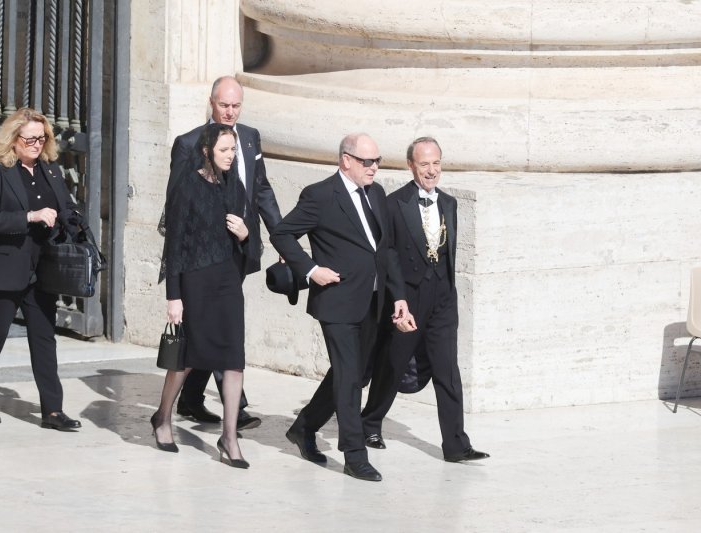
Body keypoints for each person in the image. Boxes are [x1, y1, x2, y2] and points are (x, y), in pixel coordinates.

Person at [270, 133, 411, 482]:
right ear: (346, 160)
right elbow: (282, 233)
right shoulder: (320, 195)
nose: (374, 167)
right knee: (349, 378)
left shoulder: (375, 194)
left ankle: (304, 427)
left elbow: (385, 251)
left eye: (377, 161)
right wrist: (311, 270)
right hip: (337, 301)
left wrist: (399, 296)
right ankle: (355, 455)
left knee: (354, 374)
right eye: (367, 161)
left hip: (373, 301)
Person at [163, 75, 281, 430]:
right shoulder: (189, 143)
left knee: (215, 327)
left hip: (238, 248)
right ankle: (234, 409)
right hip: (201, 257)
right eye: (224, 105)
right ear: (211, 103)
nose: (230, 111)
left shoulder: (250, 137)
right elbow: (175, 207)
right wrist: (174, 286)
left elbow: (261, 189)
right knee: (211, 328)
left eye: (236, 105)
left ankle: (191, 398)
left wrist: (280, 238)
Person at [361, 137, 489, 463]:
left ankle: (456, 445)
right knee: (394, 363)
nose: (431, 171)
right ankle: (370, 422)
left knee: (448, 371)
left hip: (443, 299)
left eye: (436, 163)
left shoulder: (450, 203)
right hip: (409, 298)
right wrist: (398, 298)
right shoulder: (394, 204)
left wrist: (448, 293)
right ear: (411, 166)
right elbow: (388, 254)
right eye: (424, 164)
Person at [0, 107, 82, 431]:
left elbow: (67, 207)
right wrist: (30, 216)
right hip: (5, 266)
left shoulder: (50, 170)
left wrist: (71, 219)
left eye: (41, 138)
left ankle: (53, 411)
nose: (36, 144)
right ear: (13, 138)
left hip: (42, 267)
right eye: (30, 139)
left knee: (44, 338)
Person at [153, 123, 251, 468]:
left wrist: (245, 234)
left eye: (233, 150)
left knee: (233, 358)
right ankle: (163, 417)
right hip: (194, 282)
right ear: (207, 151)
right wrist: (174, 296)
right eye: (224, 150)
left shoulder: (234, 185)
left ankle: (229, 437)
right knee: (186, 358)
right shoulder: (187, 185)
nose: (230, 156)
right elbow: (174, 244)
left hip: (228, 281)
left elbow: (246, 237)